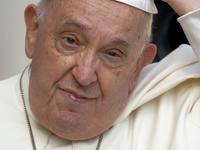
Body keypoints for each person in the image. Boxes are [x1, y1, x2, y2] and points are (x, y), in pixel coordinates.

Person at [0, 0, 200, 149]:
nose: (84, 75)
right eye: (70, 41)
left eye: (112, 54)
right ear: (33, 32)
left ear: (137, 67)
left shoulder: (181, 111)